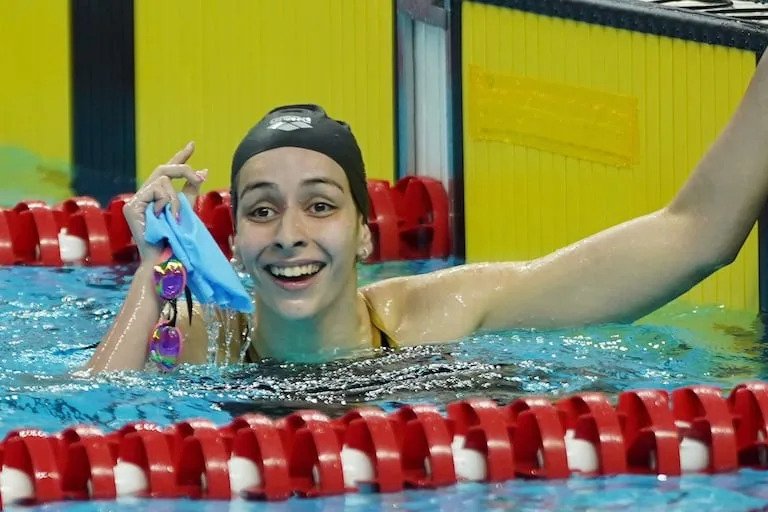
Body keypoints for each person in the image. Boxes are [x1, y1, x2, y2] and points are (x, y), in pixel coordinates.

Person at [87, 51, 768, 373]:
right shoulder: (198, 338)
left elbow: (696, 236)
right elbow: (89, 420)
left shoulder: (447, 312)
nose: (289, 235)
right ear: (232, 238)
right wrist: (155, 271)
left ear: (364, 233)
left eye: (319, 206)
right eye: (262, 212)